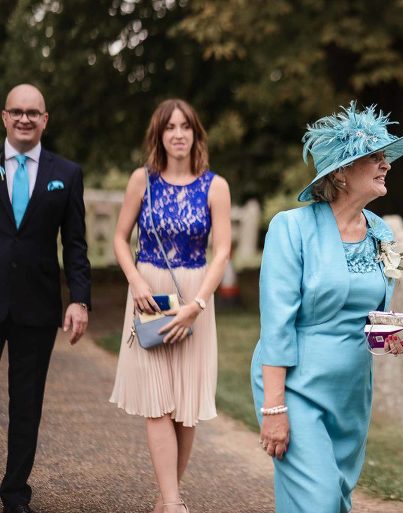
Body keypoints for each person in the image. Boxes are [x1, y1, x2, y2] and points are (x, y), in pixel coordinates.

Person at [251, 102, 403, 513]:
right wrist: (274, 407)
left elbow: (370, 313)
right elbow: (276, 324)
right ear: (341, 172)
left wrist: (393, 334)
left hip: (351, 392)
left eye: (386, 157)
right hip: (296, 386)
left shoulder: (380, 230)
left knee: (336, 499)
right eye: (375, 157)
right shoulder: (291, 229)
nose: (386, 165)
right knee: (320, 500)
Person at [109, 99, 231, 513]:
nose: (178, 134)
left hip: (195, 297)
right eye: (169, 127)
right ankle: (175, 504)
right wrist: (136, 279)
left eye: (185, 127)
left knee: (185, 406)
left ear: (196, 134)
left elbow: (223, 252)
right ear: (158, 135)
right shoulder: (141, 181)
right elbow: (119, 239)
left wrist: (197, 304)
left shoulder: (215, 186)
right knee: (158, 401)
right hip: (149, 295)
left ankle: (165, 501)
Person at [0, 84, 91, 513]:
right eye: (16, 111)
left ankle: (15, 492)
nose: (24, 119)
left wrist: (80, 300)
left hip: (37, 306)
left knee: (27, 403)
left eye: (32, 112)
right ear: (4, 117)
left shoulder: (67, 173)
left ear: (45, 119)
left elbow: (75, 244)